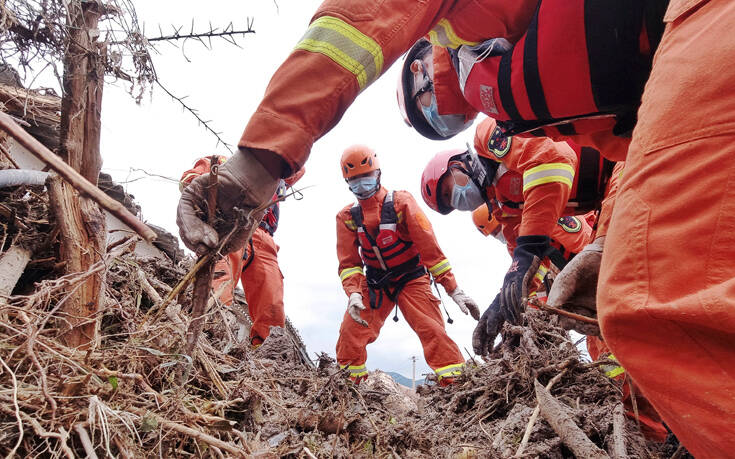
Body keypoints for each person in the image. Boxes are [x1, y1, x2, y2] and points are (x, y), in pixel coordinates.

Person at [335, 145, 479, 385]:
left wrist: (453, 289)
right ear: (347, 182)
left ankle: (457, 388)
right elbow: (349, 263)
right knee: (351, 332)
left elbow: (429, 248)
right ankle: (347, 389)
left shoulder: (401, 203)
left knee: (433, 331)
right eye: (355, 179)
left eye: (366, 177)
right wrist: (353, 294)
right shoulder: (347, 217)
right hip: (375, 283)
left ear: (378, 174)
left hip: (411, 278)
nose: (361, 183)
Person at [179, 156, 303, 346]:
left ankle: (268, 357)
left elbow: (297, 165)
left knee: (272, 307)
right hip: (232, 228)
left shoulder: (279, 178)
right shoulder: (226, 161)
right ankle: (209, 340)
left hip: (264, 238)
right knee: (218, 285)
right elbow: (191, 179)